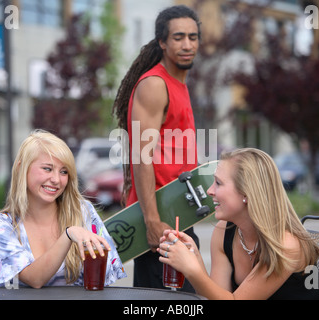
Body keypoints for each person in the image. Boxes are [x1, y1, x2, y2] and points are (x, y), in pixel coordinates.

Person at [112, 5, 201, 291]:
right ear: (162, 42)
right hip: (160, 226)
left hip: (179, 217)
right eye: (178, 37)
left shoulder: (178, 84)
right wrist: (151, 221)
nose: (187, 45)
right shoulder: (154, 84)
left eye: (192, 37)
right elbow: (141, 154)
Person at [158, 148, 319, 299]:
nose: (209, 191)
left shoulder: (286, 245)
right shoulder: (224, 231)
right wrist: (195, 260)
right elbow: (216, 295)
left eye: (218, 183)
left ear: (246, 193)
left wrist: (192, 270)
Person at [0, 129, 126, 288]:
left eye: (64, 171)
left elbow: (107, 274)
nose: (56, 180)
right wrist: (68, 234)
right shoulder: (1, 226)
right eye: (47, 168)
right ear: (21, 168)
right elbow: (34, 279)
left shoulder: (81, 211)